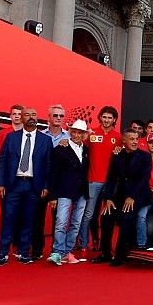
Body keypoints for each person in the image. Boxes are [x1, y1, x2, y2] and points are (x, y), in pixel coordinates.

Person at [0, 108, 52, 266]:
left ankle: (24, 253)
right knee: (8, 218)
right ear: (21, 118)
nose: (31, 117)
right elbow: (2, 162)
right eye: (28, 114)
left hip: (34, 185)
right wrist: (0, 183)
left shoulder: (45, 140)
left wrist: (46, 185)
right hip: (14, 185)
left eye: (34, 114)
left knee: (29, 220)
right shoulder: (11, 137)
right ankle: (2, 253)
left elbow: (48, 165)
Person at [100, 129, 152, 266]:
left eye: (136, 139)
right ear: (124, 141)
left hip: (139, 195)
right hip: (120, 195)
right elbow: (111, 178)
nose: (135, 142)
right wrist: (109, 198)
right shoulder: (117, 155)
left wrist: (132, 196)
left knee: (126, 217)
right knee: (106, 216)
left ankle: (121, 255)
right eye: (131, 139)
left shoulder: (145, 157)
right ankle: (105, 253)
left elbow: (144, 179)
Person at [77, 106, 122, 253]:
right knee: (89, 214)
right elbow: (77, 146)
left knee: (109, 215)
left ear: (114, 119)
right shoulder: (91, 133)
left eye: (110, 117)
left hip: (110, 183)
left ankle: (105, 246)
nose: (107, 120)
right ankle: (85, 244)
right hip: (93, 180)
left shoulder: (119, 137)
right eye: (104, 117)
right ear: (100, 118)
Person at [46, 119, 90, 266]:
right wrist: (52, 196)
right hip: (63, 191)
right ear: (70, 132)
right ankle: (58, 252)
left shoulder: (87, 150)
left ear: (84, 134)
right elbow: (53, 174)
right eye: (74, 132)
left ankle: (66, 251)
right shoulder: (60, 149)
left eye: (80, 133)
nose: (76, 135)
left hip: (82, 192)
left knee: (76, 223)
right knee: (61, 222)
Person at [32, 104, 70, 260]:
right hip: (41, 182)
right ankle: (37, 250)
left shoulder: (69, 137)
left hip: (60, 184)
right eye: (55, 115)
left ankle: (56, 251)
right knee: (37, 217)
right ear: (48, 118)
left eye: (61, 116)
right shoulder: (39, 136)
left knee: (59, 220)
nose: (58, 119)